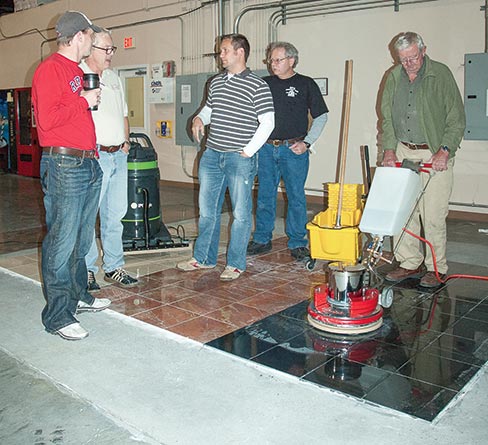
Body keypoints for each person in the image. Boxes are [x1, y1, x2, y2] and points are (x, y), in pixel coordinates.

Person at [32, 11, 111, 341]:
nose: (94, 41)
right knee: (62, 242)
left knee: (80, 240)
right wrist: (83, 101)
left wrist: (83, 100)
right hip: (65, 166)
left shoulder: (75, 71)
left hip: (86, 163)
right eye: (91, 35)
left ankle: (78, 294)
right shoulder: (50, 69)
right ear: (79, 36)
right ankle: (58, 316)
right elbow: (47, 122)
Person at [177, 33, 275, 281]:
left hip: (239, 158)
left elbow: (268, 122)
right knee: (207, 211)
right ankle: (203, 259)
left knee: (241, 214)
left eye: (225, 51)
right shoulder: (216, 82)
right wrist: (200, 117)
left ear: (240, 52)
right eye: (221, 51)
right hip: (212, 155)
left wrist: (248, 151)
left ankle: (235, 263)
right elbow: (210, 109)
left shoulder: (258, 85)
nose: (220, 55)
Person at [380, 32, 466, 288]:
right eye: (403, 59)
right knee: (404, 211)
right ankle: (408, 261)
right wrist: (389, 150)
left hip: (433, 151)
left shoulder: (440, 74)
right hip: (404, 151)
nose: (409, 64)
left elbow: (456, 118)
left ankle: (436, 267)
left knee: (433, 215)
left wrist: (445, 150)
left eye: (413, 58)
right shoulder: (393, 77)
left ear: (423, 50)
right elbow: (386, 118)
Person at [247, 41, 328, 261]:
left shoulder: (305, 84)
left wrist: (308, 143)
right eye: (271, 60)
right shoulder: (263, 84)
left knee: (296, 197)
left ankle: (298, 242)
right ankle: (262, 239)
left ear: (291, 60)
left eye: (277, 60)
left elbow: (321, 116)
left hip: (294, 150)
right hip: (265, 150)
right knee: (264, 196)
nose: (272, 64)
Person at [80, 28, 138, 291]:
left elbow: (123, 114)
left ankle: (113, 266)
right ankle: (89, 269)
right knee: (89, 214)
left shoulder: (114, 78)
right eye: (106, 49)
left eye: (112, 49)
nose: (111, 55)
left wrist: (125, 141)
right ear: (91, 49)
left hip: (118, 156)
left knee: (115, 215)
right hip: (95, 155)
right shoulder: (77, 75)